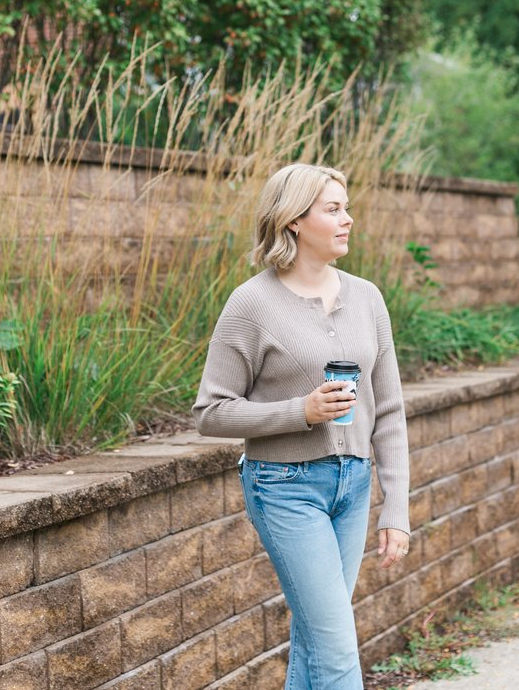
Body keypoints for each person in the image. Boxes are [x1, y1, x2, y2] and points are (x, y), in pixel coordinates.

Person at [193, 163, 411, 689]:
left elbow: (389, 410)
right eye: (332, 210)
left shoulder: (368, 297)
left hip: (352, 486)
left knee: (317, 644)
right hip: (284, 488)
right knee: (336, 647)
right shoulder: (252, 304)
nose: (348, 219)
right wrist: (300, 412)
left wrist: (396, 507)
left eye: (347, 207)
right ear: (293, 221)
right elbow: (210, 413)